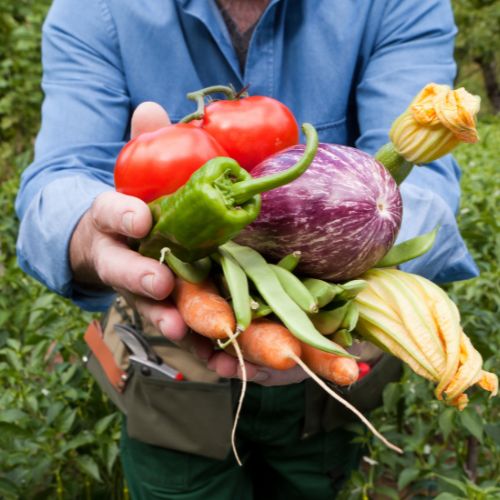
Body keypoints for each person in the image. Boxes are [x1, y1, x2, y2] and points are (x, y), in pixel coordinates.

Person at [15, 0, 478, 498]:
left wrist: (349, 249)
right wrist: (93, 234)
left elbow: (423, 181)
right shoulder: (96, 10)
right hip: (164, 363)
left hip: (328, 361)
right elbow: (58, 180)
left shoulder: (397, 6)